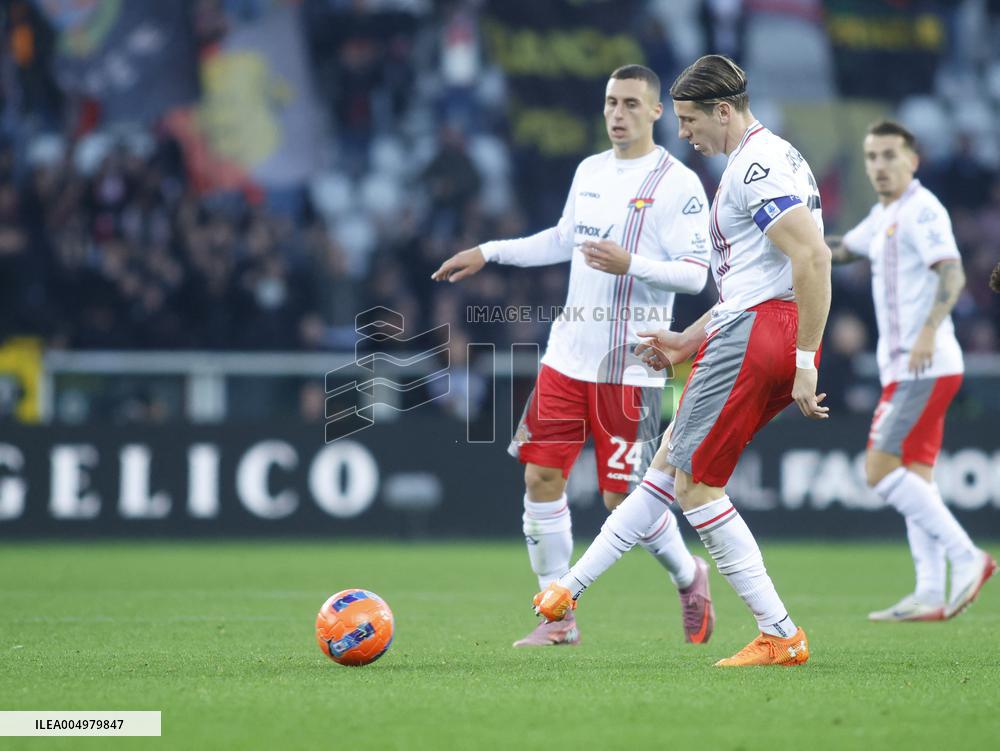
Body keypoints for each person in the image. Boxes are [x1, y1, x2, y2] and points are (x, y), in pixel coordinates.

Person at [531, 54, 831, 667]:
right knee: (668, 467)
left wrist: (806, 360)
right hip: (752, 328)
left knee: (696, 486)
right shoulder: (773, 156)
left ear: (723, 111)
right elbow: (755, 279)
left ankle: (780, 632)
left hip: (759, 334)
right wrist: (688, 339)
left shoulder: (754, 168)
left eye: (690, 119)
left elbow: (813, 257)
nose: (684, 131)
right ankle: (568, 590)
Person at [432, 65, 716, 647]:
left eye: (631, 103)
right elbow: (564, 239)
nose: (618, 114)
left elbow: (695, 274)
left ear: (656, 111)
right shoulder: (589, 170)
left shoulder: (680, 184)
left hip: (632, 365)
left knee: (622, 499)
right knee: (540, 477)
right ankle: (557, 618)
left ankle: (690, 576)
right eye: (611, 102)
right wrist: (489, 251)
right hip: (567, 357)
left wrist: (631, 264)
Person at [827, 120, 996, 622]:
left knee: (879, 470)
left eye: (889, 155)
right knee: (917, 476)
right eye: (872, 157)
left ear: (913, 161)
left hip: (924, 362)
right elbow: (842, 249)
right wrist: (794, 240)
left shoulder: (923, 209)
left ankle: (968, 556)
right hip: (906, 368)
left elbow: (953, 272)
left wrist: (927, 331)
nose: (880, 166)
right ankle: (929, 590)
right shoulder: (884, 215)